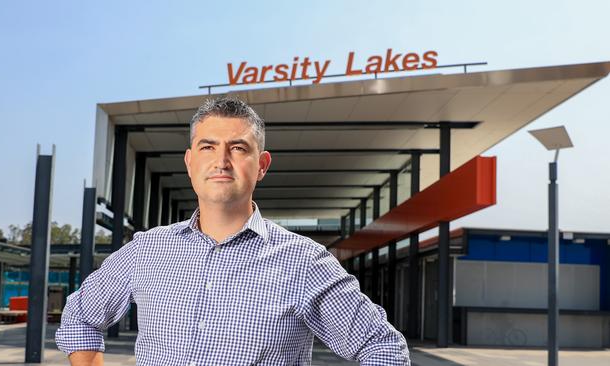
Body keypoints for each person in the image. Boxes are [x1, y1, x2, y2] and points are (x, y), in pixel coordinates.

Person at [55, 96, 410, 365]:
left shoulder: (305, 263)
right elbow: (79, 318)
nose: (221, 160)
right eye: (207, 146)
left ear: (262, 165)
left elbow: (382, 348)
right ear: (191, 162)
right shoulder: (146, 250)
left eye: (238, 148)